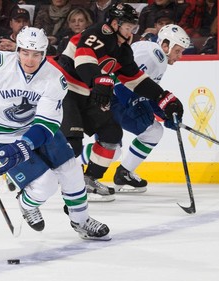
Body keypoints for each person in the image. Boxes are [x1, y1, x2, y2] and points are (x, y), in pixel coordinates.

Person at [0, 26, 110, 241]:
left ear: (44, 54)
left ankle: (81, 220)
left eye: (36, 54)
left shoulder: (54, 78)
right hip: (1, 134)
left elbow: (46, 124)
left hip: (34, 130)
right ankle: (27, 203)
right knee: (46, 184)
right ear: (17, 50)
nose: (30, 60)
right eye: (25, 53)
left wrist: (25, 145)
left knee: (71, 168)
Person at [50, 3, 184, 201]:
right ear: (115, 24)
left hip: (89, 92)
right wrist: (99, 79)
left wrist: (162, 97)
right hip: (64, 87)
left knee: (111, 134)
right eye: (128, 27)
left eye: (133, 28)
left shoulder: (122, 49)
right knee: (74, 144)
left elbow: (135, 79)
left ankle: (89, 179)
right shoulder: (97, 33)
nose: (131, 32)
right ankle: (34, 170)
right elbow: (84, 60)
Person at [82, 24, 190, 193]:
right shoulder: (153, 56)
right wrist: (136, 106)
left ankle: (124, 173)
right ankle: (66, 164)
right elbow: (122, 82)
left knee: (152, 132)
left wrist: (165, 113)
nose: (180, 56)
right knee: (112, 148)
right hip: (111, 99)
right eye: (178, 51)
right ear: (165, 45)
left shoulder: (154, 53)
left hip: (117, 99)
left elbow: (146, 89)